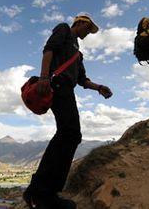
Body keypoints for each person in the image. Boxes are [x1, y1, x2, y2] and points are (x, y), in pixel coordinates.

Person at [23, 13, 113, 209]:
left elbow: (82, 80)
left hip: (67, 90)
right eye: (88, 29)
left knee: (69, 135)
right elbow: (48, 50)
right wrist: (44, 77)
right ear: (80, 23)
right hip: (56, 85)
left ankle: (40, 190)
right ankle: (42, 193)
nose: (88, 33)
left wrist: (98, 87)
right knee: (70, 133)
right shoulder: (64, 29)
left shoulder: (78, 53)